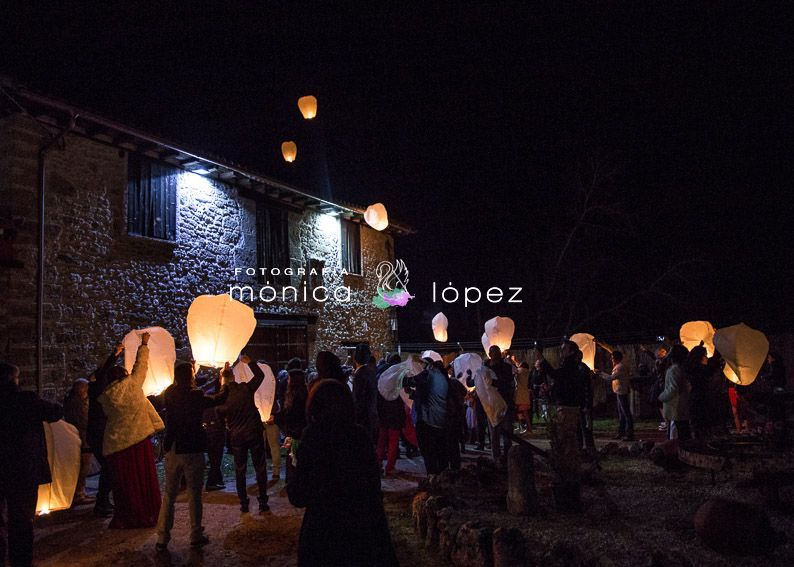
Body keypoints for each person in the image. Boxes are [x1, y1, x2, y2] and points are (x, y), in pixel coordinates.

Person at [287, 379, 398, 566]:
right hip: (363, 532)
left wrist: (293, 463)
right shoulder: (359, 437)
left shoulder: (314, 438)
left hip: (322, 535)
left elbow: (298, 495)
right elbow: (373, 487)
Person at [156, 361, 228, 551]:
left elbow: (190, 384)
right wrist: (225, 380)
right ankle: (195, 534)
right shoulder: (195, 395)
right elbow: (218, 399)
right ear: (190, 377)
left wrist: (193, 370)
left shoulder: (170, 393)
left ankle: (162, 537)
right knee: (194, 494)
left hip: (173, 447)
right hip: (192, 449)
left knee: (169, 494)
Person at [98, 332, 164, 529]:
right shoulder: (133, 385)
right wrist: (144, 344)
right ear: (124, 375)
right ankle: (146, 512)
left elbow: (100, 376)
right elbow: (140, 365)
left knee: (125, 483)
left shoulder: (105, 396)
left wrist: (114, 355)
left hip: (117, 444)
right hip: (138, 440)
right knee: (142, 478)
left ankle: (127, 515)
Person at [1, 362, 62, 567]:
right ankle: (21, 560)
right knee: (22, 519)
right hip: (23, 468)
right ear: (12, 379)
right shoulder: (25, 400)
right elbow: (55, 412)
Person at [216, 355, 270, 513]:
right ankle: (263, 501)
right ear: (234, 376)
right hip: (253, 433)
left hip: (237, 437)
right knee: (260, 467)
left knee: (240, 470)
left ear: (223, 380)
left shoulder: (223, 398)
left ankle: (244, 503)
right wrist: (250, 362)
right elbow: (260, 376)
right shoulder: (245, 388)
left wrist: (227, 426)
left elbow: (219, 412)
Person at [87, 343, 124, 517]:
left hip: (99, 433)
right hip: (98, 434)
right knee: (109, 468)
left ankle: (103, 501)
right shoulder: (98, 390)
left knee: (109, 468)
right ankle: (101, 503)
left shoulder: (98, 390)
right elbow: (102, 373)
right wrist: (114, 355)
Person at [404, 356, 448, 475]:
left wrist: (400, 374)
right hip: (439, 420)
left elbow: (409, 381)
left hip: (428, 420)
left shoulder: (428, 375)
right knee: (438, 452)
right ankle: (440, 478)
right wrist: (413, 393)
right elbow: (430, 394)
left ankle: (433, 479)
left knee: (429, 453)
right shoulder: (441, 377)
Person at [276, 358, 308, 484]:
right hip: (298, 433)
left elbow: (289, 415)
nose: (287, 381)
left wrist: (277, 419)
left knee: (294, 459)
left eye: (289, 378)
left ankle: (295, 484)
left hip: (296, 434)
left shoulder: (295, 398)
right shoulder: (304, 393)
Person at [63, 378, 94, 506]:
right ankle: (79, 493)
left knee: (83, 466)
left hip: (79, 438)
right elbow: (84, 421)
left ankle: (80, 491)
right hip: (83, 439)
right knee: (83, 466)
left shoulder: (71, 402)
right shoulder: (79, 404)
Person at [375, 354, 405, 476]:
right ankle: (390, 467)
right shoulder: (399, 377)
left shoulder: (380, 375)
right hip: (395, 414)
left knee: (381, 442)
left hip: (382, 413)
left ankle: (377, 465)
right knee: (393, 442)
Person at [486, 345, 515, 464]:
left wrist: (494, 382)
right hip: (492, 405)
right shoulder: (485, 367)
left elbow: (507, 383)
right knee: (494, 433)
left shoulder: (506, 367)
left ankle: (508, 457)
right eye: (493, 352)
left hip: (505, 403)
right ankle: (496, 458)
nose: (495, 355)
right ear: (490, 354)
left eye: (497, 352)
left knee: (507, 433)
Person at [597, 350, 634, 441]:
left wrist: (600, 373)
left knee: (625, 414)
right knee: (622, 414)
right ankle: (622, 433)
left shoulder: (620, 367)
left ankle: (629, 434)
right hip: (620, 392)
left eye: (612, 358)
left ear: (615, 358)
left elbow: (611, 378)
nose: (611, 359)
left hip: (622, 392)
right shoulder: (619, 366)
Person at [659, 344, 691, 441]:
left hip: (675, 407)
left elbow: (672, 389)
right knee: (684, 432)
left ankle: (676, 452)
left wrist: (661, 397)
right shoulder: (684, 369)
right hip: (683, 406)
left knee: (676, 434)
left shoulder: (674, 370)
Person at [201, 370, 227, 491]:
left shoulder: (205, 395)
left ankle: (218, 479)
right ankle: (211, 483)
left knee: (214, 457)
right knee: (216, 457)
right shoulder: (214, 399)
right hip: (215, 429)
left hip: (210, 429)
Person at [352, 343, 379, 444]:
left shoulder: (359, 375)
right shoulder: (371, 372)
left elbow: (358, 399)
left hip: (363, 419)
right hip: (371, 417)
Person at [445, 366, 468, 470]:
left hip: (448, 415)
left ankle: (450, 463)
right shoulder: (454, 382)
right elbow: (464, 392)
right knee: (456, 436)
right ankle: (456, 463)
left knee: (450, 440)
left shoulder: (442, 384)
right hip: (458, 412)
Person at [514, 361, 532, 433]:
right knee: (522, 412)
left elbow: (515, 371)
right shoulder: (526, 373)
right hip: (524, 394)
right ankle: (524, 427)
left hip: (520, 395)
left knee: (522, 411)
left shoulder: (520, 371)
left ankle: (527, 427)